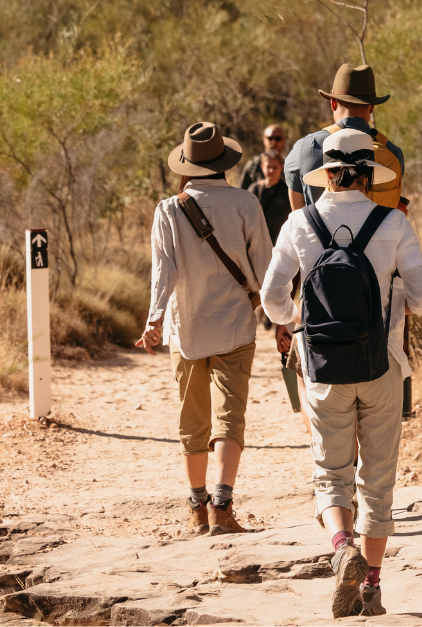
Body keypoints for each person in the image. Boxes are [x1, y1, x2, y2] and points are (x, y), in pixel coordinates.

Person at [262, 129, 422, 618]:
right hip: (382, 368)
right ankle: (372, 591)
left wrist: (294, 320)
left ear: (328, 171)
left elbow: (272, 299)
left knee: (330, 474)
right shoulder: (393, 223)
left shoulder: (298, 223)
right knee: (377, 481)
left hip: (322, 369)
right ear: (368, 173)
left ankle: (342, 548)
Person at [135, 121, 273, 537]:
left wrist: (154, 319)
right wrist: (282, 320)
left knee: (192, 419)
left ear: (187, 165)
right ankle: (222, 507)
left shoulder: (168, 210)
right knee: (230, 417)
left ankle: (196, 507)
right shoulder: (246, 203)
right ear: (224, 163)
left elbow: (164, 272)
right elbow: (266, 269)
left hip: (187, 329)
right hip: (235, 325)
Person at [283, 65, 406, 213]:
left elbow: (297, 211)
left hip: (321, 234)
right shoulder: (394, 153)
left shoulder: (307, 147)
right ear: (372, 107)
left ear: (333, 103)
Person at [251, 151, 291, 248]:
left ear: (281, 167)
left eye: (275, 167)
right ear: (262, 167)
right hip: (258, 242)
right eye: (268, 167)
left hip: (281, 242)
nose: (271, 170)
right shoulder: (255, 189)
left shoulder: (288, 190)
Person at [240, 123, 287, 190]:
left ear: (283, 140)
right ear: (264, 140)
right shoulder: (253, 166)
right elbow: (242, 192)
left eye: (278, 138)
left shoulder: (290, 167)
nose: (274, 142)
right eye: (270, 138)